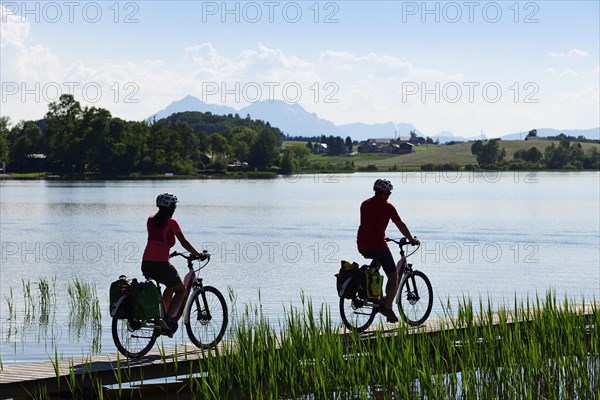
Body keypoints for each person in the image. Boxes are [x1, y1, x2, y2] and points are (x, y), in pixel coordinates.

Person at [357, 178, 419, 323]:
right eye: (389, 191)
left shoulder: (364, 204)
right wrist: (411, 239)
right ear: (386, 192)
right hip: (378, 245)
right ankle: (388, 307)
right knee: (392, 276)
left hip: (362, 245)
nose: (390, 194)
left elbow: (370, 224)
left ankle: (372, 294)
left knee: (377, 263)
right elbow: (400, 225)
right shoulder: (388, 207)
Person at [141, 192, 203, 335]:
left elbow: (157, 241)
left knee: (170, 285)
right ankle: (168, 320)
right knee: (181, 290)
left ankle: (161, 317)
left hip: (146, 263)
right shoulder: (171, 222)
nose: (175, 208)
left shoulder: (150, 220)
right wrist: (198, 254)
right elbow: (184, 242)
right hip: (161, 264)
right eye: (174, 205)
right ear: (171, 207)